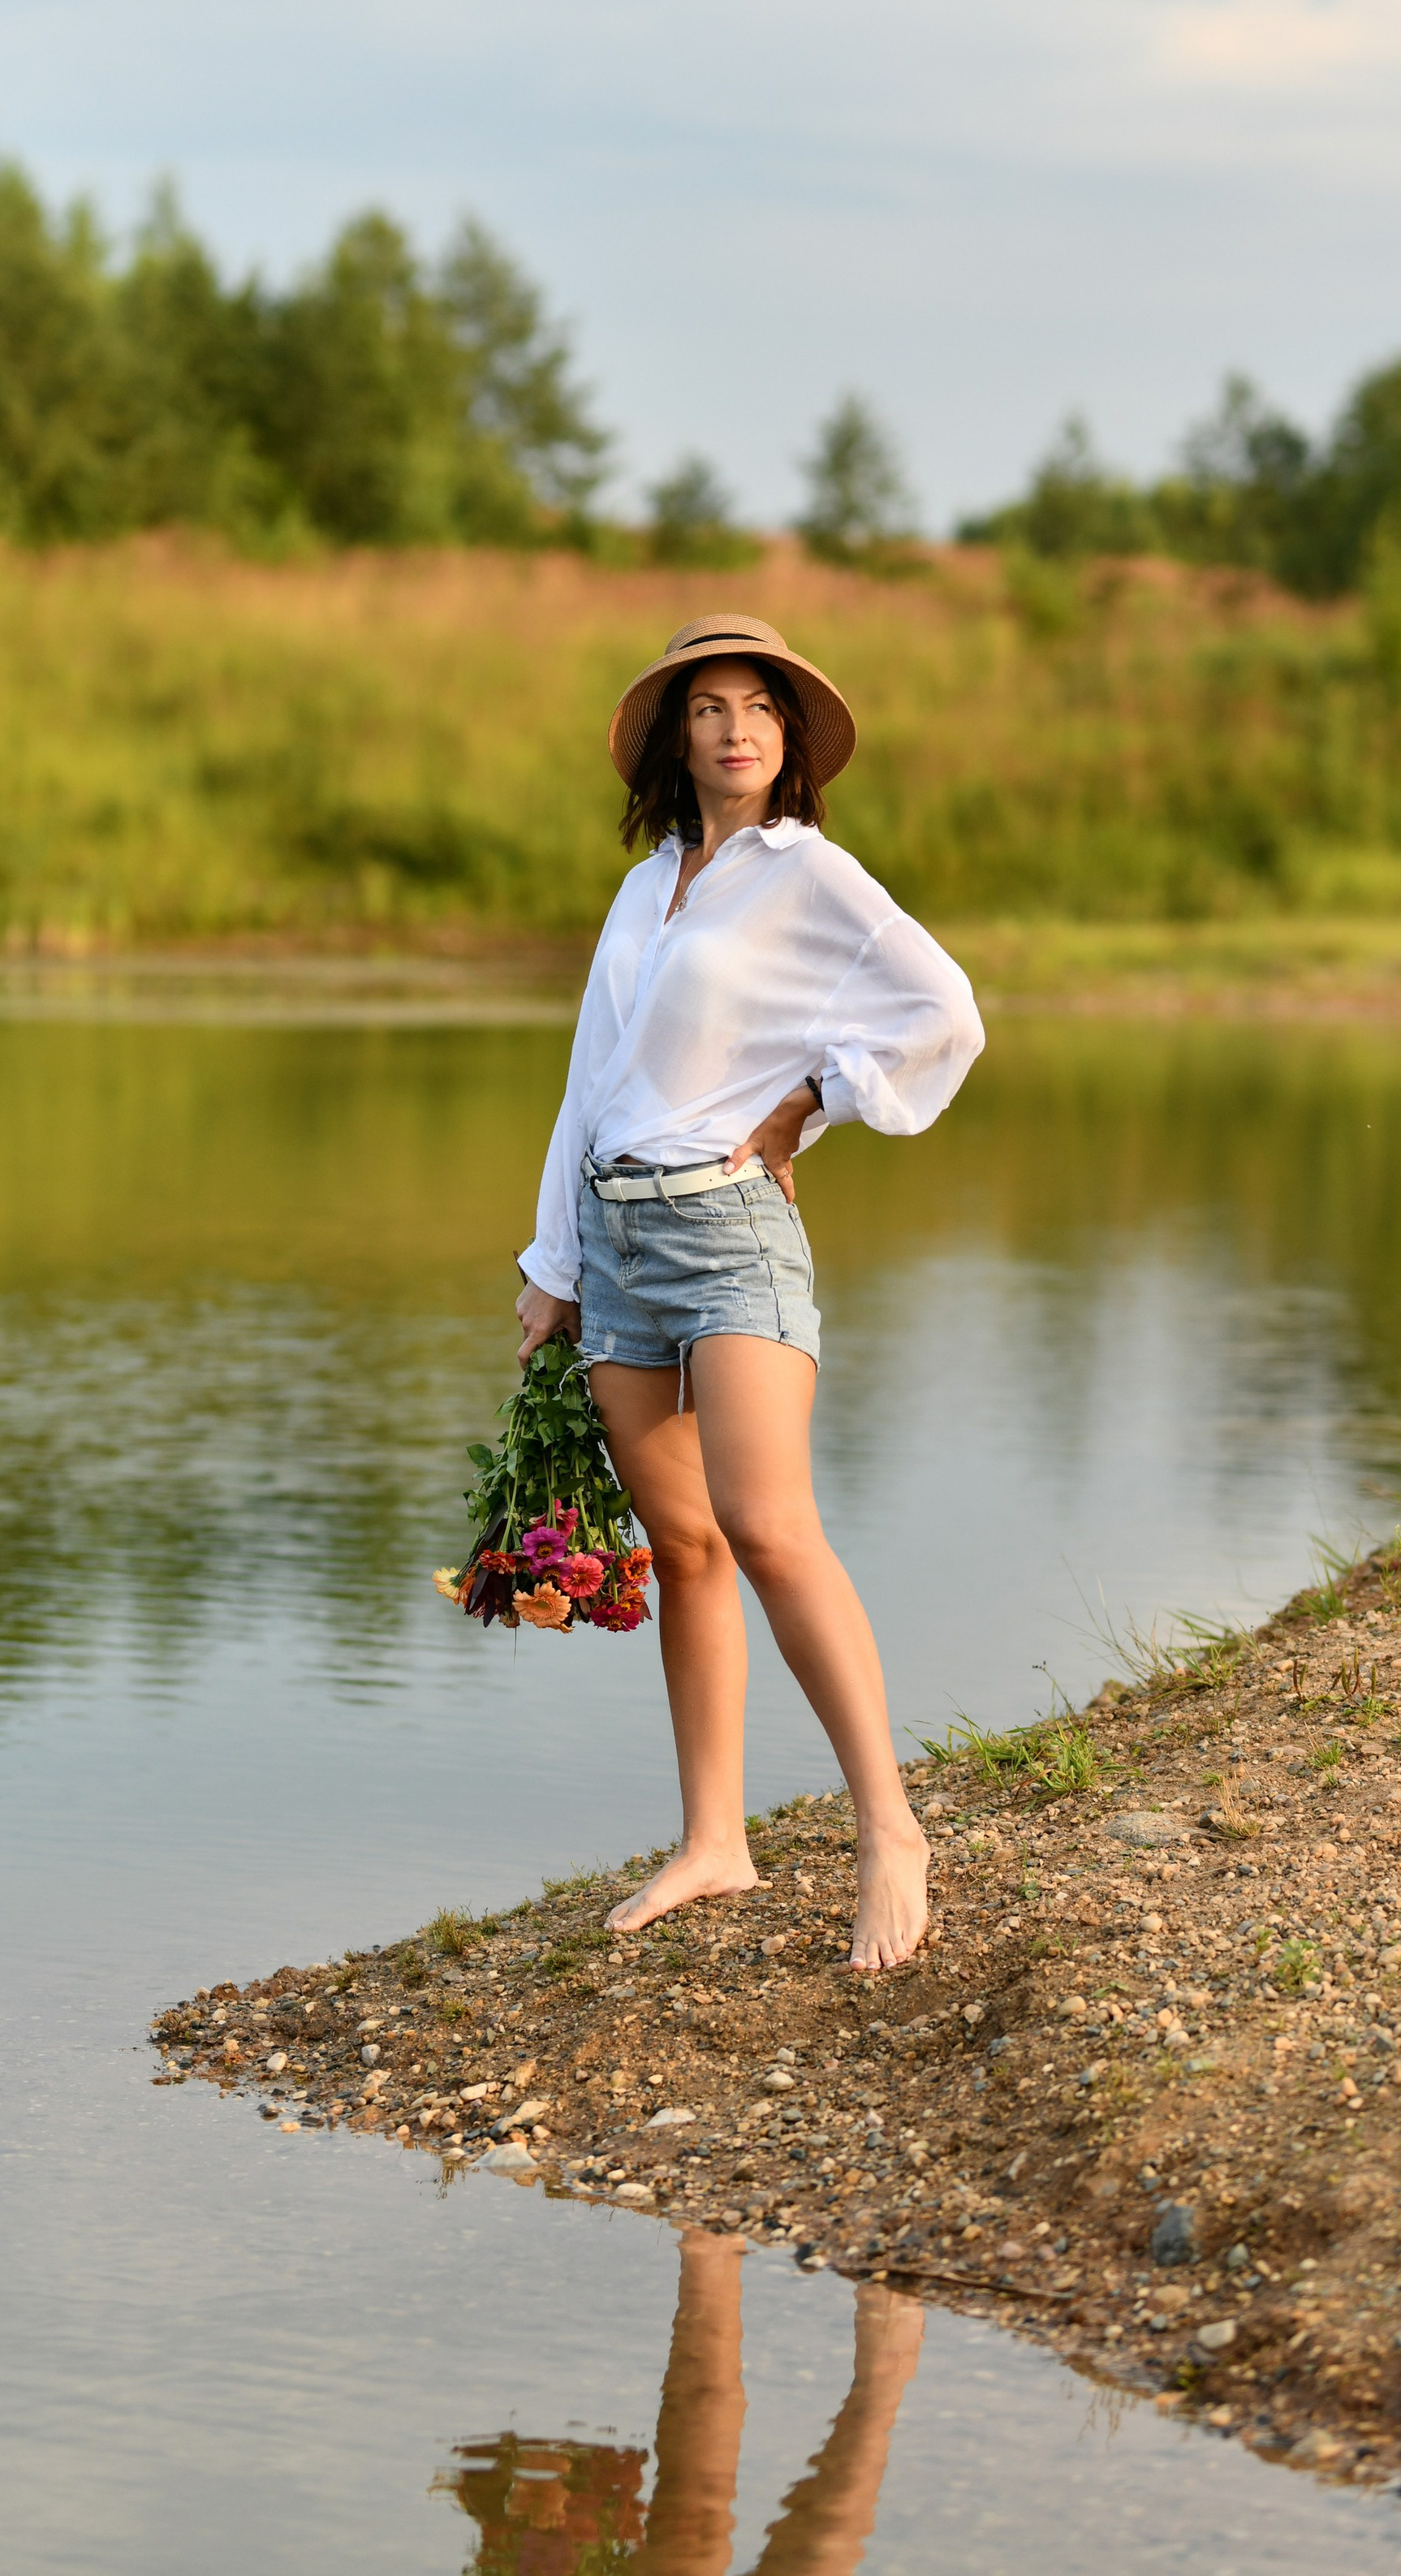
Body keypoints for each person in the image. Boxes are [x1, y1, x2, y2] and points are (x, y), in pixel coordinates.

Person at [513, 613, 984, 1971]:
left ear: (789, 743)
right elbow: (588, 1083)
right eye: (709, 707)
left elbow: (943, 1010)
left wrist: (815, 1101)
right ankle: (714, 1841)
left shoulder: (812, 876)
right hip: (615, 1245)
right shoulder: (649, 883)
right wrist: (553, 1265)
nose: (735, 728)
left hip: (729, 1235)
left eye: (758, 708)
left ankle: (890, 1830)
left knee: (769, 1526)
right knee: (687, 1548)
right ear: (677, 739)